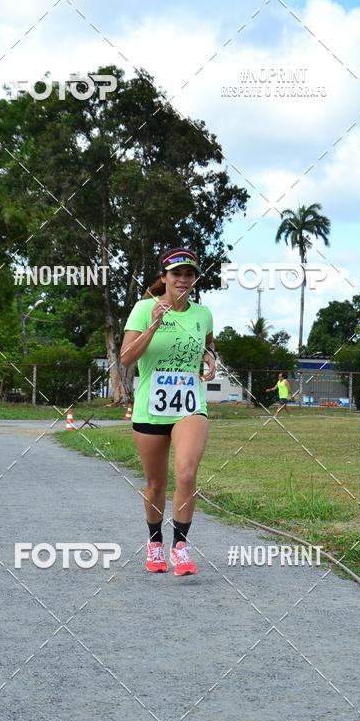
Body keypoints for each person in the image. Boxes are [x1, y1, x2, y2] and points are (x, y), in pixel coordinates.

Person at [120, 247, 216, 577]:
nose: (183, 279)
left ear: (195, 279)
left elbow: (208, 343)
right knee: (155, 484)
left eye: (189, 274)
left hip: (190, 405)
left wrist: (210, 357)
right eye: (176, 273)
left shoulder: (203, 314)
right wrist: (154, 325)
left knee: (186, 474)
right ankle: (155, 543)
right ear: (164, 277)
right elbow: (126, 358)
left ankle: (181, 547)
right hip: (151, 407)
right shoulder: (143, 308)